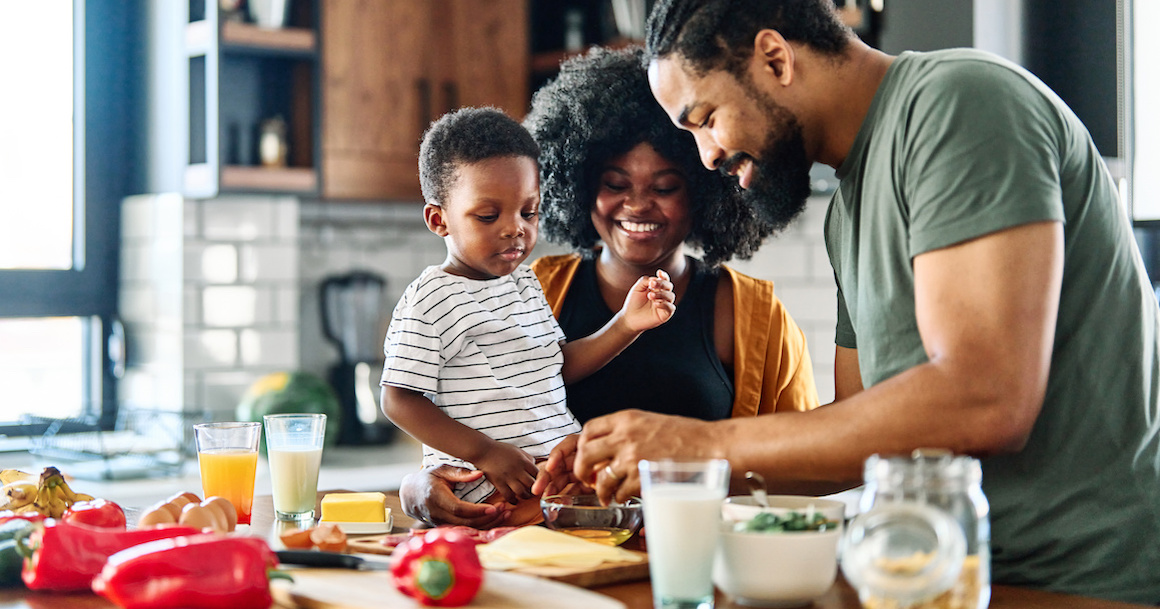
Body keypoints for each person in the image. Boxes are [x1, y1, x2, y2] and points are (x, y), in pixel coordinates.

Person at [569, 0, 1160, 603]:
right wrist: (653, 471)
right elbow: (854, 441)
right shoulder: (847, 214)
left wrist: (702, 446)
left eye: (706, 118)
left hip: (1080, 583)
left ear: (775, 58)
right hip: (939, 574)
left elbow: (986, 396)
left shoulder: (961, 103)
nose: (708, 156)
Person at [398, 47, 820, 527]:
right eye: (615, 183)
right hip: (546, 559)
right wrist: (417, 488)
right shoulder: (526, 289)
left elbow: (801, 469)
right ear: (578, 184)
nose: (637, 205)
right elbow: (465, 426)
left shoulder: (754, 317)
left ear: (705, 190)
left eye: (665, 188)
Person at [380, 107, 676, 507]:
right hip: (490, 486)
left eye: (528, 212)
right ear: (438, 220)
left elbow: (552, 366)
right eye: (488, 215)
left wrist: (626, 324)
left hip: (551, 479)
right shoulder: (434, 297)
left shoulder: (523, 282)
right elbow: (399, 399)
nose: (515, 228)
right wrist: (486, 453)